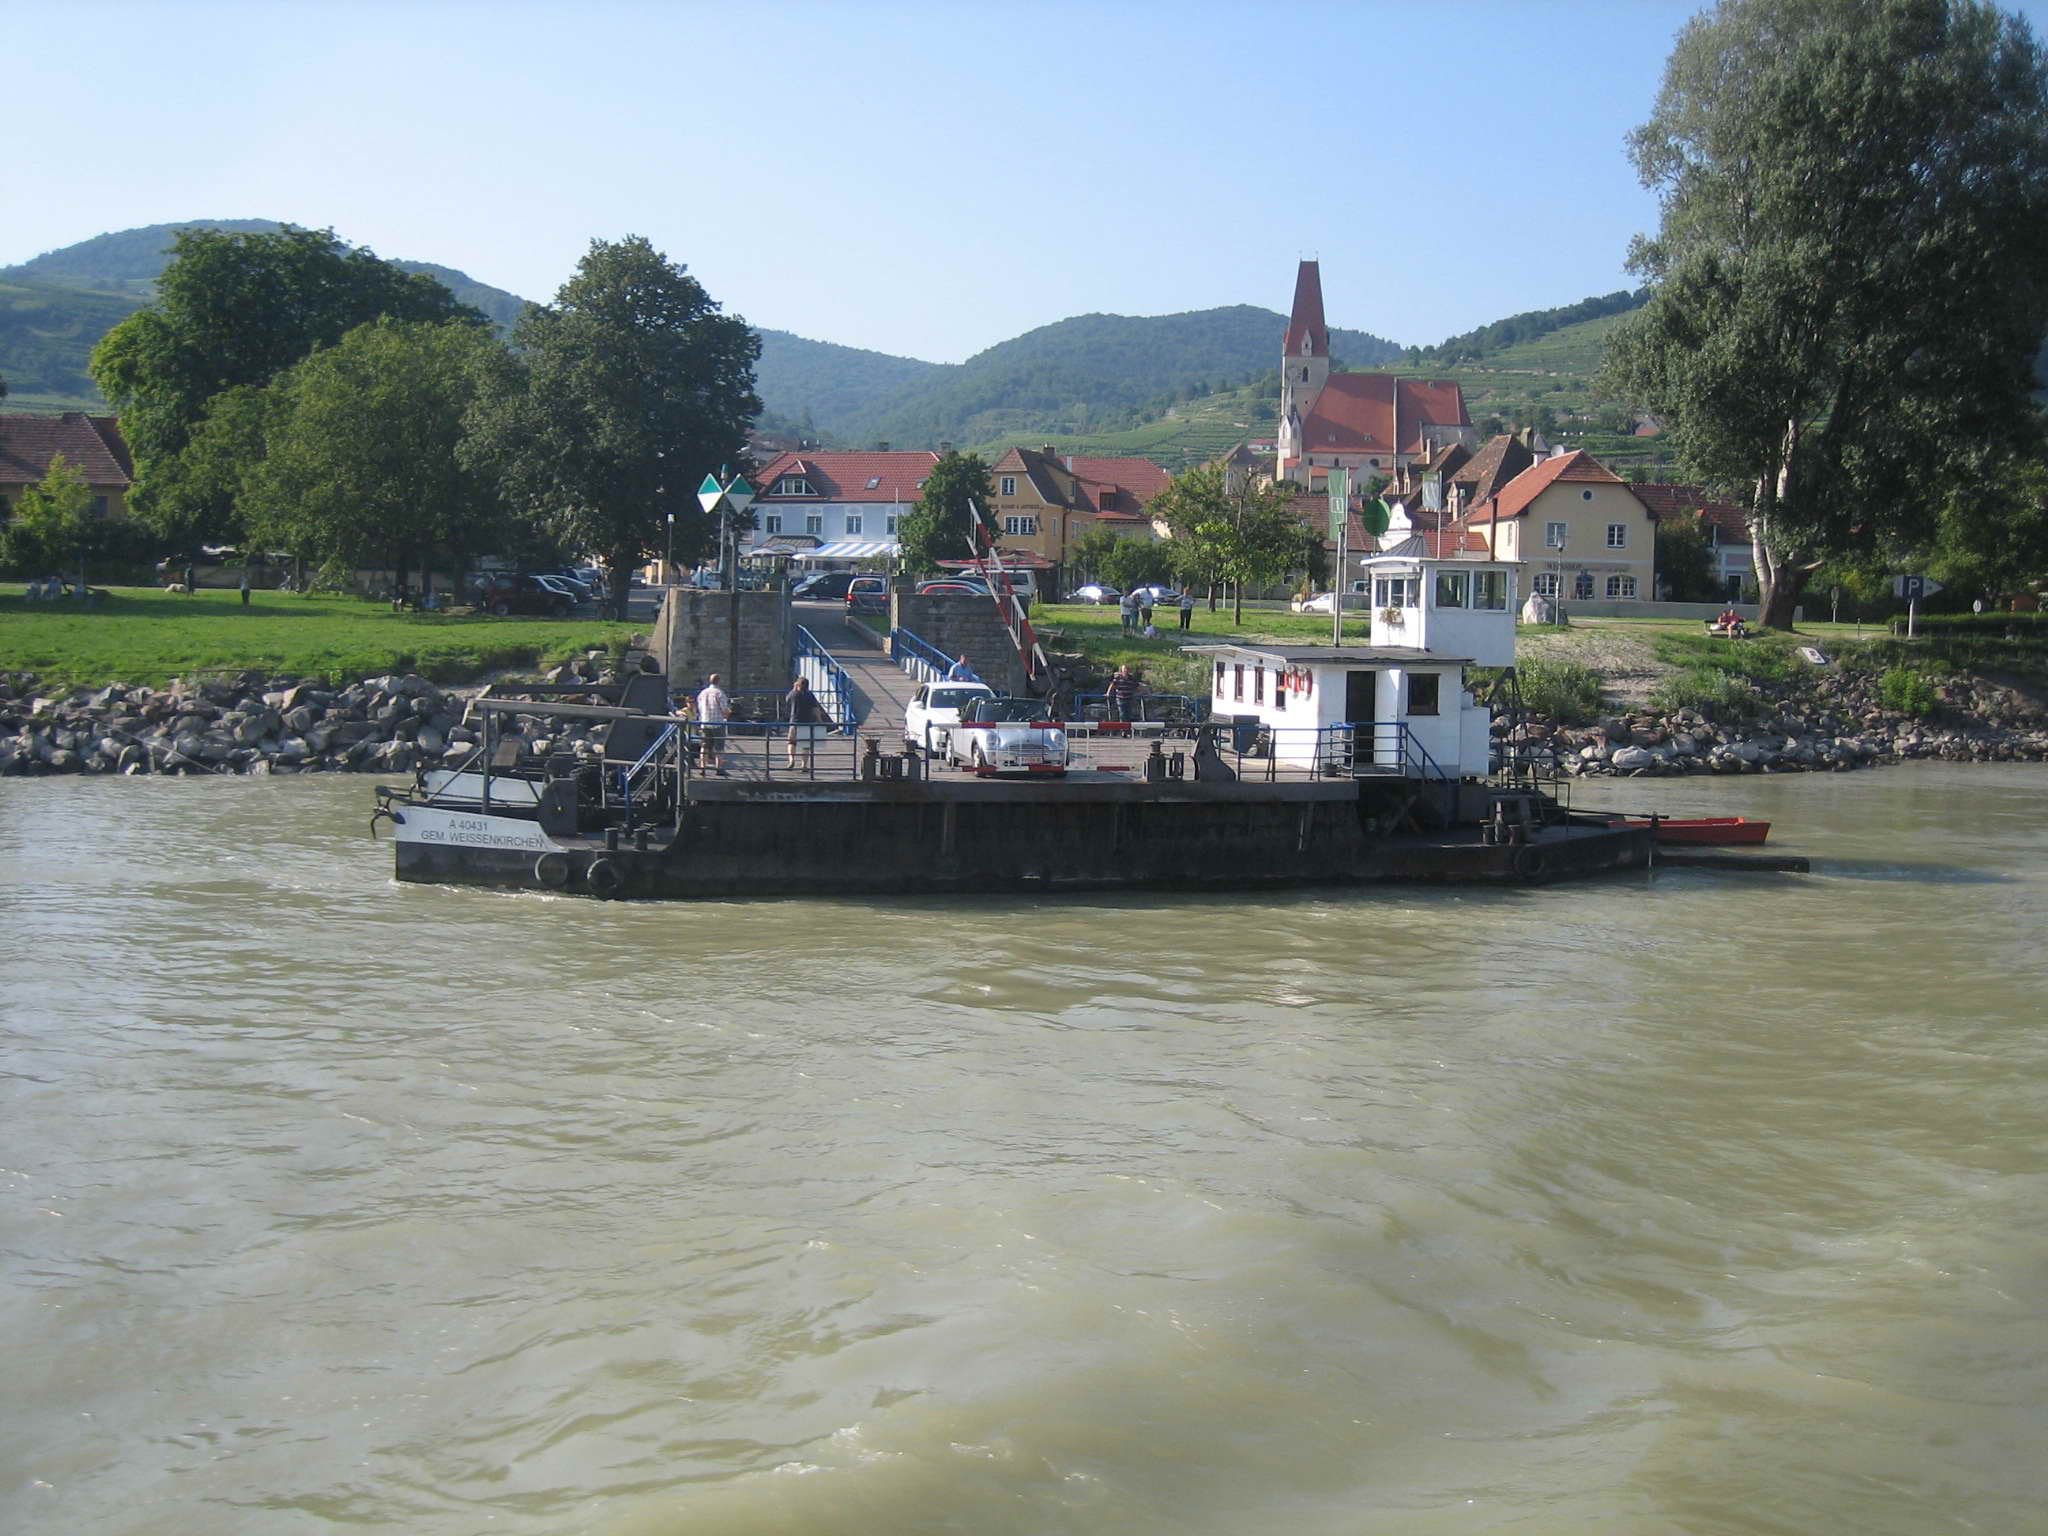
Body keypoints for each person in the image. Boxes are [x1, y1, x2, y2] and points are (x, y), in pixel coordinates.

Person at [784, 676, 829, 771]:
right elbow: (815, 709)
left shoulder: (793, 694)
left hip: (794, 721)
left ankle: (791, 760)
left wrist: (793, 689)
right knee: (805, 744)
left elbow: (787, 700)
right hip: (807, 722)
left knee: (792, 742)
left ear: (798, 685)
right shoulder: (809, 695)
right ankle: (804, 765)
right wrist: (819, 720)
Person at [695, 672, 731, 774]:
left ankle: (703, 768)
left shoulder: (702, 693)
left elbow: (699, 708)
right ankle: (719, 769)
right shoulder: (720, 693)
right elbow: (724, 710)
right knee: (719, 747)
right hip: (717, 723)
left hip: (705, 722)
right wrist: (728, 713)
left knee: (704, 746)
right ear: (719, 681)